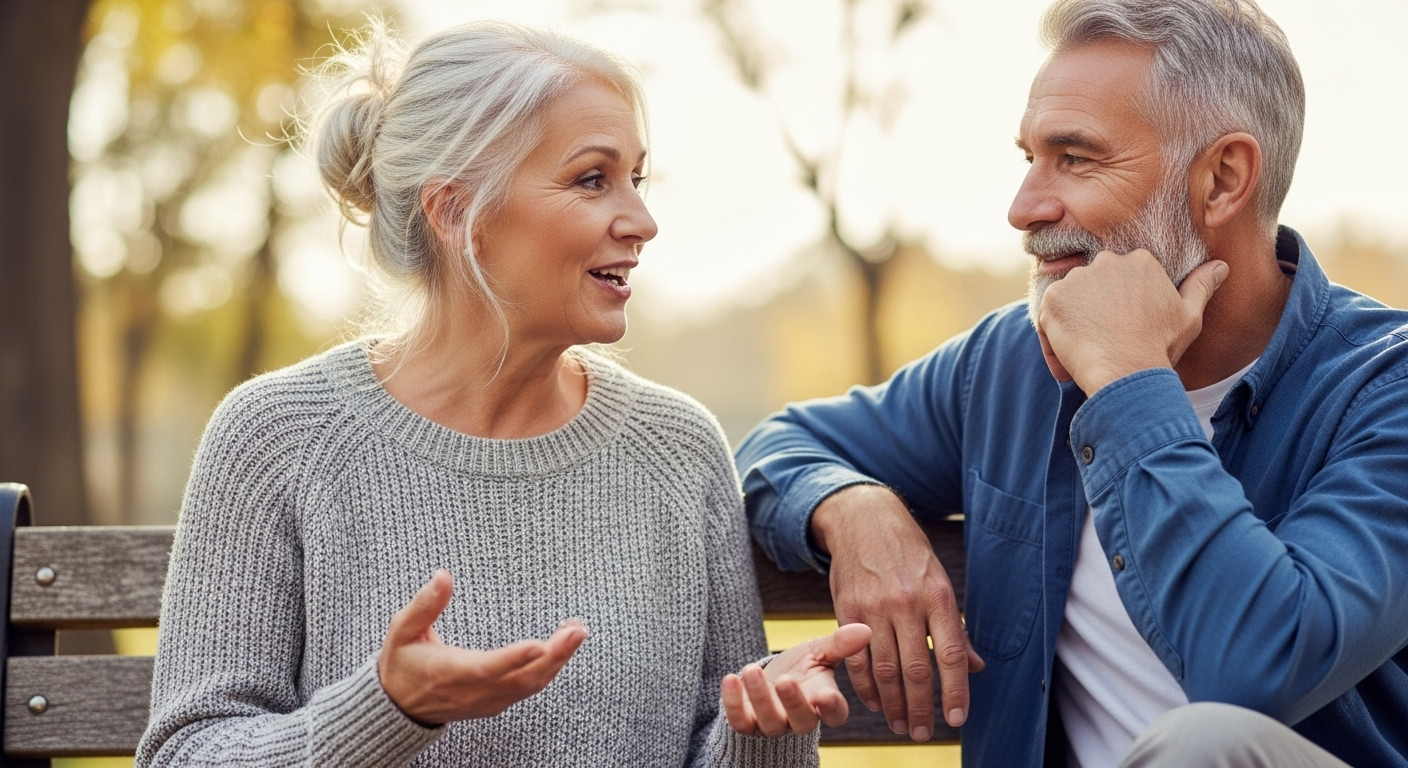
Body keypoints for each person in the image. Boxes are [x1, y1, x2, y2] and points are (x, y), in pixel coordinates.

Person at [137, 20, 872, 767]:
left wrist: (762, 738)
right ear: (456, 212)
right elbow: (185, 754)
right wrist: (386, 709)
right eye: (592, 179)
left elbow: (713, 745)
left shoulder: (676, 450)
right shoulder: (277, 437)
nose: (642, 222)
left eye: (635, 180)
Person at [735, 0, 1408, 766]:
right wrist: (852, 506)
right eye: (1030, 158)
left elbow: (1255, 668)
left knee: (1205, 743)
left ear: (1223, 180)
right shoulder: (1008, 364)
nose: (1024, 209)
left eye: (1077, 159)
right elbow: (775, 445)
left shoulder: (1386, 390)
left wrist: (1129, 381)